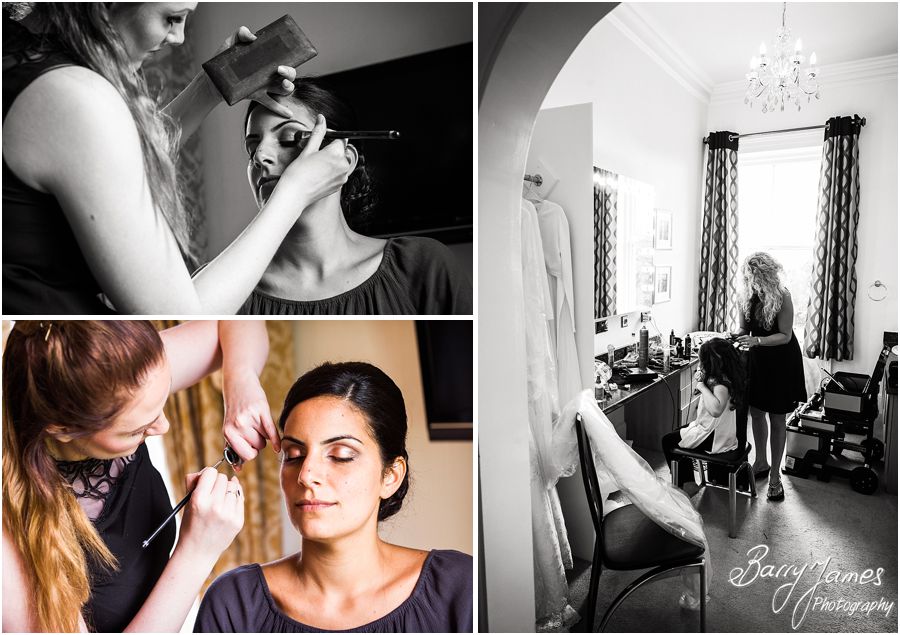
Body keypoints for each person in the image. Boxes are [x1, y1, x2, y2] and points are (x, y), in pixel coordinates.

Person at [2, 3, 352, 313]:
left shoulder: (24, 63)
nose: (179, 37)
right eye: (171, 17)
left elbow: (114, 166)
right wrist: (293, 194)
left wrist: (211, 86)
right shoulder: (73, 96)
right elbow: (181, 310)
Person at [2, 320, 282, 632]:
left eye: (162, 403)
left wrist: (241, 382)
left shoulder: (115, 370)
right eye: (137, 429)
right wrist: (197, 551)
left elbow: (235, 324)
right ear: (63, 430)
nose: (163, 426)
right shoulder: (9, 531)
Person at [194, 362, 473, 632]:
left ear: (391, 476)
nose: (306, 474)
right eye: (294, 456)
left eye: (341, 456)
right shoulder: (235, 603)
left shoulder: (459, 587)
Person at [239, 80, 473, 314]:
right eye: (252, 148)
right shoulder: (225, 288)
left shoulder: (422, 266)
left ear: (344, 160)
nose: (260, 156)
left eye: (290, 137)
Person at [730, 252, 807, 501]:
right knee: (756, 412)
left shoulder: (783, 297)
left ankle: (775, 476)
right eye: (747, 277)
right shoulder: (744, 296)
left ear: (765, 275)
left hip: (781, 361)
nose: (749, 281)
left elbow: (785, 335)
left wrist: (757, 340)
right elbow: (743, 328)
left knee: (777, 417)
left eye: (753, 276)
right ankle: (760, 462)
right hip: (757, 360)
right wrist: (735, 335)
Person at [662, 337, 747, 489]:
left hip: (714, 436)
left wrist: (701, 386)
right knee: (677, 433)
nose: (700, 365)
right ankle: (687, 481)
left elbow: (715, 410)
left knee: (668, 441)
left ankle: (686, 484)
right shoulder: (725, 377)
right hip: (718, 431)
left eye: (702, 361)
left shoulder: (720, 384)